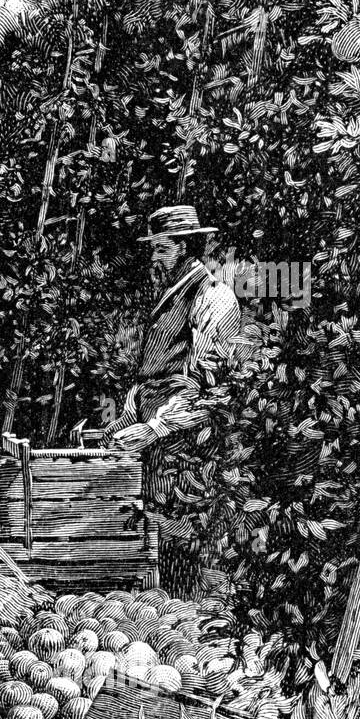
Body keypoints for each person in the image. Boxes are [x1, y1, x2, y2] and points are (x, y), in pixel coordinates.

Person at [103, 205, 243, 598]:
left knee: (181, 539)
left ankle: (188, 626)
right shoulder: (171, 294)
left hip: (186, 446)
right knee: (154, 539)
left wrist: (154, 427)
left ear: (184, 247)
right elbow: (154, 374)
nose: (154, 258)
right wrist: (129, 413)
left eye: (162, 249)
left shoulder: (213, 297)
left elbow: (205, 387)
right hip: (156, 441)